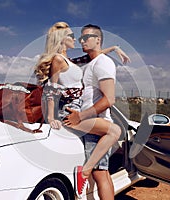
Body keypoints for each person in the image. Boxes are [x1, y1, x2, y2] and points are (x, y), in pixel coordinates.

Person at [35, 22, 128, 199]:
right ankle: (84, 173)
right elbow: (51, 90)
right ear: (61, 40)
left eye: (82, 37)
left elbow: (96, 54)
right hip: (68, 112)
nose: (75, 39)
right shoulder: (57, 59)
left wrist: (115, 48)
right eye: (71, 36)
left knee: (104, 166)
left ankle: (84, 172)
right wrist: (50, 116)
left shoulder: (70, 60)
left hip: (78, 110)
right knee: (115, 131)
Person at [63, 24, 119, 200]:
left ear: (98, 40)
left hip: (96, 124)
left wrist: (80, 116)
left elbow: (109, 99)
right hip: (94, 123)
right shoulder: (91, 62)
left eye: (87, 37)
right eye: (81, 38)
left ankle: (84, 173)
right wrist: (115, 48)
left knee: (99, 174)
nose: (82, 41)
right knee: (103, 172)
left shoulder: (103, 63)